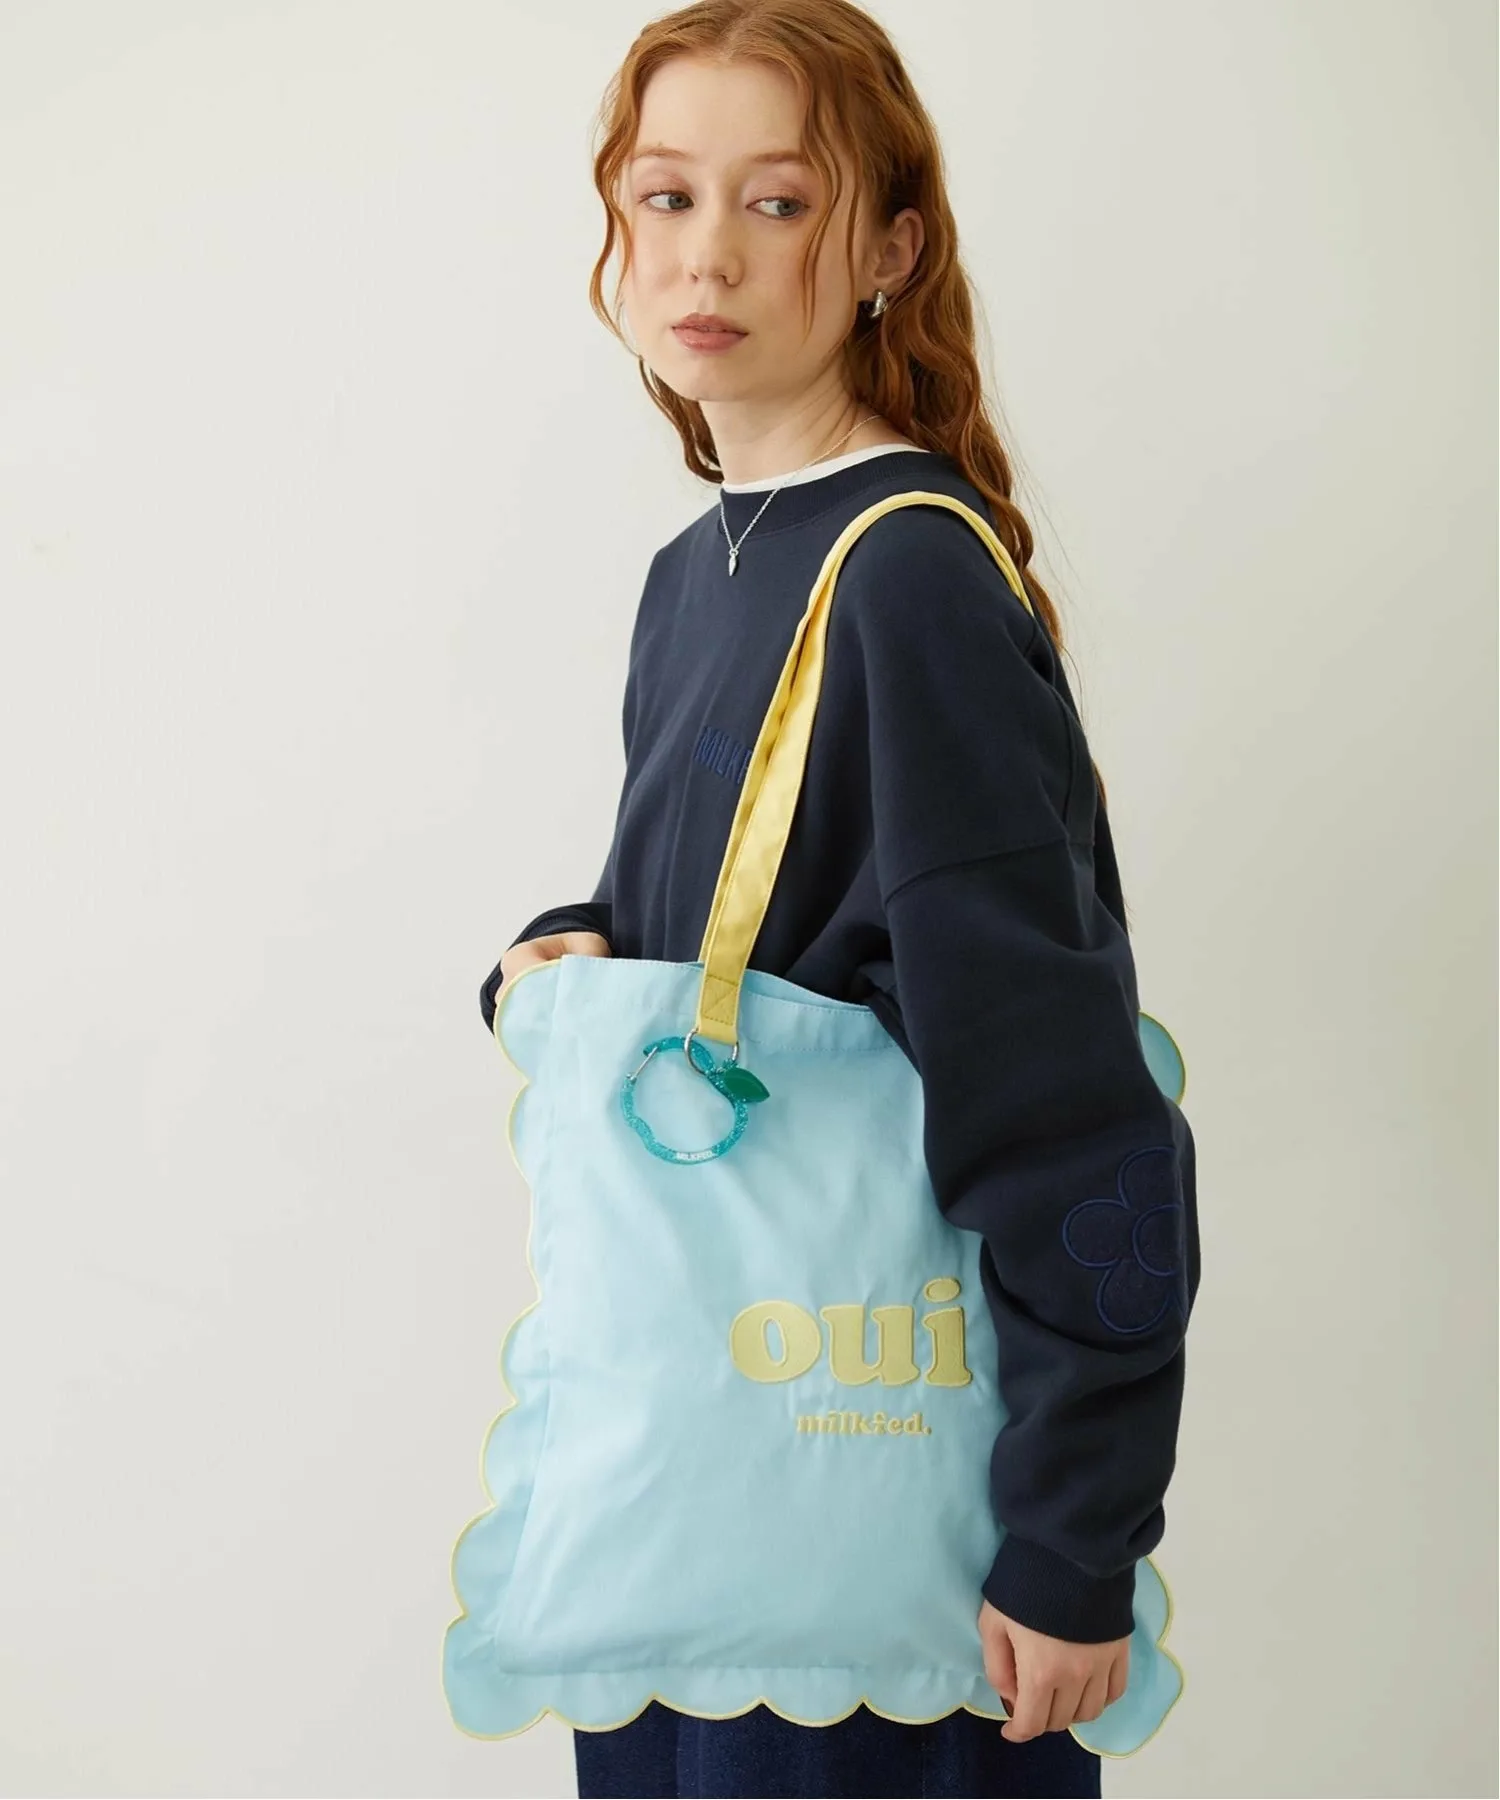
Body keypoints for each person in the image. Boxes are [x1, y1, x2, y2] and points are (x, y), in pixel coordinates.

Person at [482, 3, 1200, 1794]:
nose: (707, 255)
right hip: (708, 1496)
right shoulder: (700, 570)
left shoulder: (905, 583)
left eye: (780, 202)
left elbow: (1066, 1098)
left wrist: (1073, 1536)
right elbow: (742, 923)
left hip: (859, 1538)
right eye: (665, 196)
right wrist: (564, 954)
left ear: (890, 248)